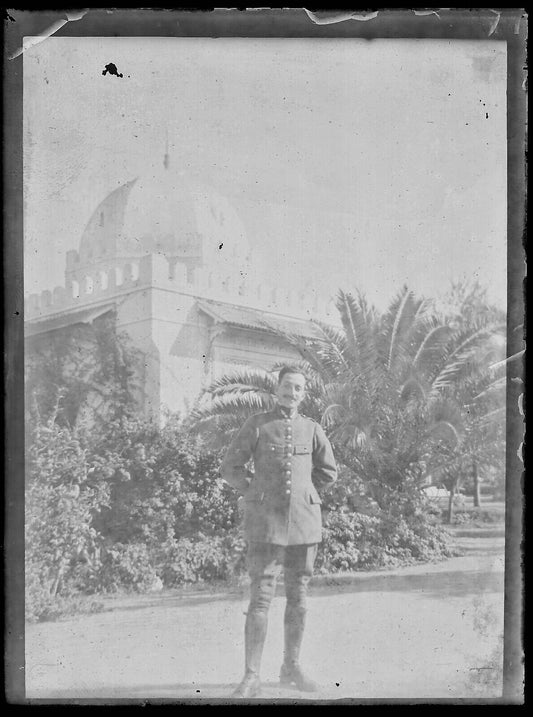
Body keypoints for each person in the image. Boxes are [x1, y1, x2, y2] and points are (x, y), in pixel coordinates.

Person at [221, 365, 337, 699]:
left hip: (304, 525)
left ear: (304, 394)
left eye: (299, 388)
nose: (292, 392)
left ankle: (292, 668)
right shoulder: (257, 424)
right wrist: (254, 491)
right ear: (277, 389)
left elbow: (328, 472)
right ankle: (251, 676)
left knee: (298, 598)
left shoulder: (312, 429)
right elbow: (231, 468)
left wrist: (306, 495)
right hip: (265, 524)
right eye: (287, 386)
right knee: (260, 598)